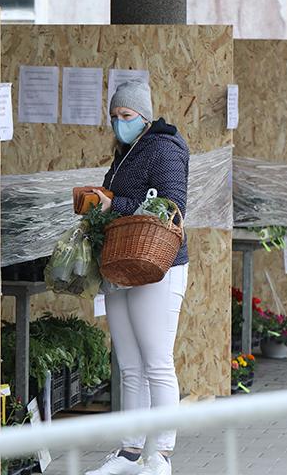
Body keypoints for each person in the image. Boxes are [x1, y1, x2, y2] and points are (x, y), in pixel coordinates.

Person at [86, 79, 189, 475]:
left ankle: (160, 455)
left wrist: (115, 203)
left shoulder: (164, 148)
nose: (118, 123)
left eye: (125, 116)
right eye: (114, 117)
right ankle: (130, 453)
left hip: (157, 265)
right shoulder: (125, 153)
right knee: (129, 364)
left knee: (157, 363)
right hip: (121, 262)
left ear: (144, 115)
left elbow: (171, 205)